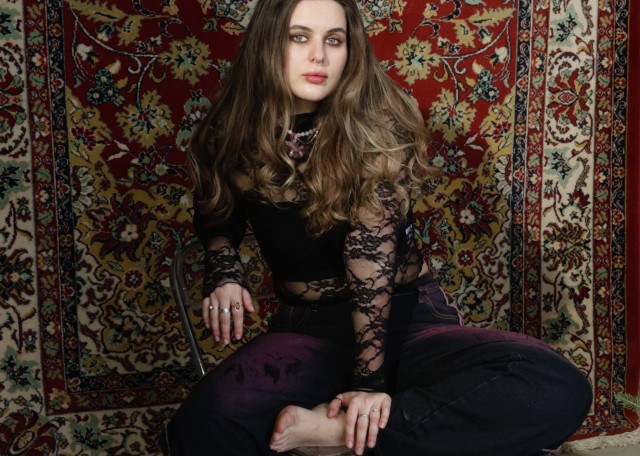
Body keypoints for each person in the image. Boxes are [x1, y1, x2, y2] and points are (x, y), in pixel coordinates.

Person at [159, 0, 592, 455]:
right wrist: (224, 267)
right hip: (309, 330)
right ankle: (396, 434)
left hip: (408, 323)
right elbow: (218, 206)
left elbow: (370, 255)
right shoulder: (230, 129)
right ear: (268, 43)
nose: (319, 55)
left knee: (552, 385)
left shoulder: (380, 123)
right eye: (299, 37)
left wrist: (368, 389)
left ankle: (339, 436)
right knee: (206, 420)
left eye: (335, 40)